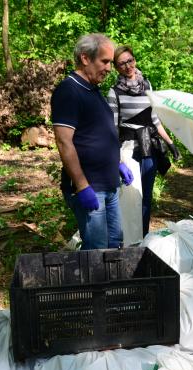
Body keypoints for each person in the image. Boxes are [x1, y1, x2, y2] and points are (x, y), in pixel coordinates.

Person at [51, 33, 134, 250]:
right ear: (86, 58)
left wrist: (117, 164)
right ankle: (93, 286)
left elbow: (99, 134)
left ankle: (113, 286)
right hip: (91, 187)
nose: (109, 68)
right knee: (96, 252)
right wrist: (81, 186)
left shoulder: (93, 90)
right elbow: (64, 142)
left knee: (115, 246)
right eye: (105, 61)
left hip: (109, 184)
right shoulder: (68, 91)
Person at [107, 45, 180, 237]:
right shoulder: (114, 93)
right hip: (129, 150)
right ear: (116, 67)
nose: (127, 66)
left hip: (150, 148)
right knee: (131, 199)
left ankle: (144, 239)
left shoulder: (146, 85)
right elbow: (112, 129)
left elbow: (154, 119)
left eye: (130, 60)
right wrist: (117, 161)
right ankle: (127, 240)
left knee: (146, 197)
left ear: (135, 60)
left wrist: (170, 143)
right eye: (122, 63)